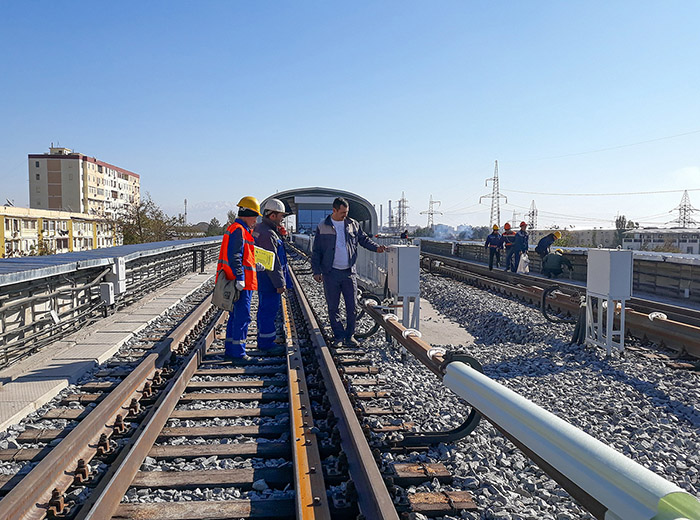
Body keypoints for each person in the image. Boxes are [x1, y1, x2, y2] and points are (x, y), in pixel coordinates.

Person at [311, 197, 387, 347]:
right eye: (343, 212)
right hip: (330, 272)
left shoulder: (353, 224)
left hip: (349, 272)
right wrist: (316, 271)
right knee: (333, 307)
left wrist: (376, 248)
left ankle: (349, 336)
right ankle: (338, 336)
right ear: (334, 210)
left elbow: (364, 240)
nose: (345, 215)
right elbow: (317, 251)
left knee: (352, 306)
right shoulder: (323, 226)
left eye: (347, 212)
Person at [216, 196, 261, 360]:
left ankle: (231, 349)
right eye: (255, 216)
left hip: (240, 281)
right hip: (241, 283)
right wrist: (240, 276)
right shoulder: (239, 230)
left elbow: (245, 256)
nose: (256, 220)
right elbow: (234, 255)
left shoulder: (239, 229)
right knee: (242, 317)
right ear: (248, 214)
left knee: (235, 316)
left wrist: (257, 265)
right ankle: (238, 353)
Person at [253, 198, 290, 352]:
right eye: (281, 216)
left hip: (262, 277)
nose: (282, 219)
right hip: (268, 279)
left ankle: (263, 340)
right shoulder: (268, 234)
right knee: (269, 309)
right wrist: (280, 284)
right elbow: (273, 263)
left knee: (263, 309)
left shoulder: (260, 229)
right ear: (272, 215)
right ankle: (267, 344)